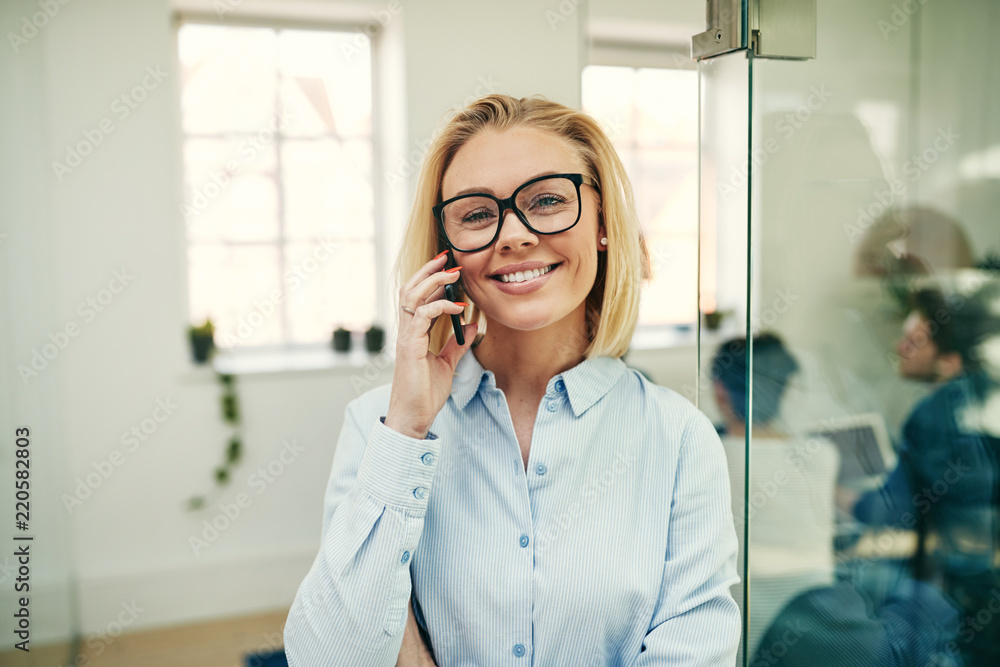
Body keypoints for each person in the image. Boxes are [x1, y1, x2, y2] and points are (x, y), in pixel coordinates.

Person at [283, 94, 741, 666]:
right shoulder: (379, 427)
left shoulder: (679, 438)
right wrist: (405, 432)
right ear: (448, 250)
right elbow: (328, 656)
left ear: (602, 222)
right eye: (476, 213)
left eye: (547, 200)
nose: (514, 234)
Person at [845, 280, 1000, 667]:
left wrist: (836, 492)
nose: (900, 348)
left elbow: (890, 513)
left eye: (914, 341)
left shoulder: (934, 417)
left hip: (960, 600)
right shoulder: (984, 401)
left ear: (950, 361)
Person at [710, 333, 840, 660]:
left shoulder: (714, 457)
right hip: (818, 638)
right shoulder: (822, 455)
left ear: (720, 392)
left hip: (742, 643)